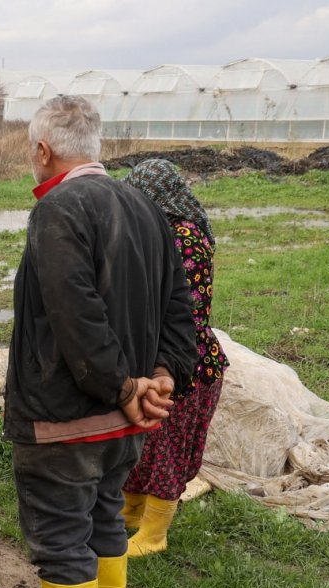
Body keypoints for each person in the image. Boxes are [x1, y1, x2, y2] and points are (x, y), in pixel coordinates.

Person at [0, 96, 197, 588]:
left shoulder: (59, 208)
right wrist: (163, 375)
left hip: (68, 419)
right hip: (126, 420)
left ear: (43, 149)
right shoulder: (145, 206)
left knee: (62, 535)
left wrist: (124, 385)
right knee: (106, 519)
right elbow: (178, 305)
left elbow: (74, 313)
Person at [120, 159, 229, 556]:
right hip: (159, 352)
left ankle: (155, 533)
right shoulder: (162, 232)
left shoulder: (184, 238)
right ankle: (131, 511)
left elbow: (184, 312)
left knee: (165, 443)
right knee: (143, 440)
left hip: (186, 363)